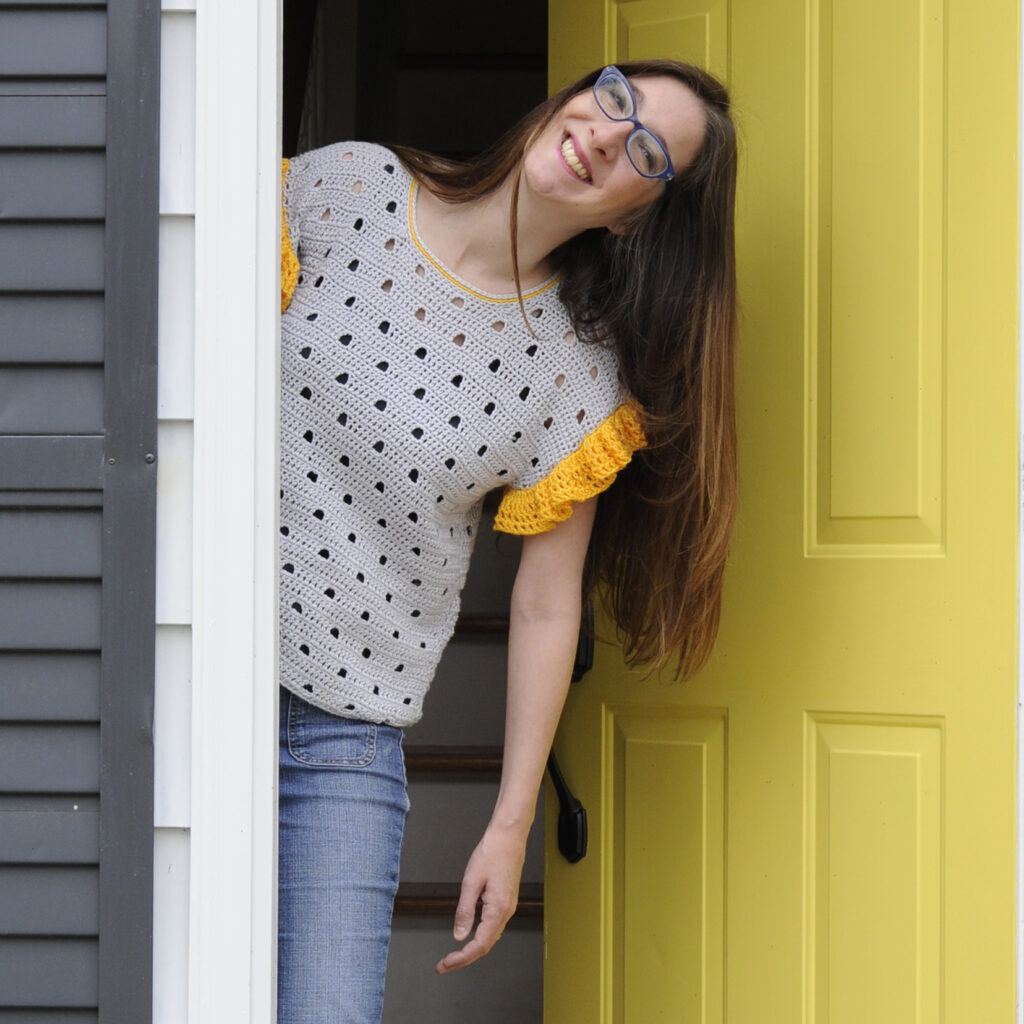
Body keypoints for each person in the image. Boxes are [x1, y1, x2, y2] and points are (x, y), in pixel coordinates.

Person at [277, 59, 738, 1023]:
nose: (609, 135)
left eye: (646, 152)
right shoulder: (347, 187)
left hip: (336, 743)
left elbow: (543, 601)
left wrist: (508, 824)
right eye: (616, 99)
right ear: (576, 93)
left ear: (635, 215)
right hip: (177, 660)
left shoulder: (577, 378)